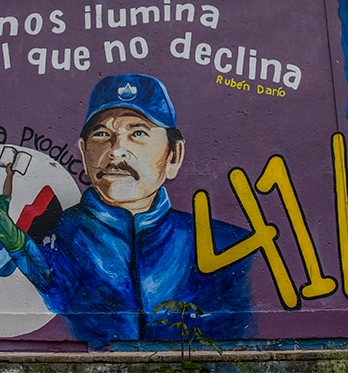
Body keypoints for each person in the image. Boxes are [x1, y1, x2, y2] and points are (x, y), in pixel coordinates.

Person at [37, 73, 254, 347]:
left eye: (138, 133)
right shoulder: (51, 243)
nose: (116, 151)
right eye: (102, 134)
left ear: (173, 154)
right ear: (83, 151)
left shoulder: (230, 248)